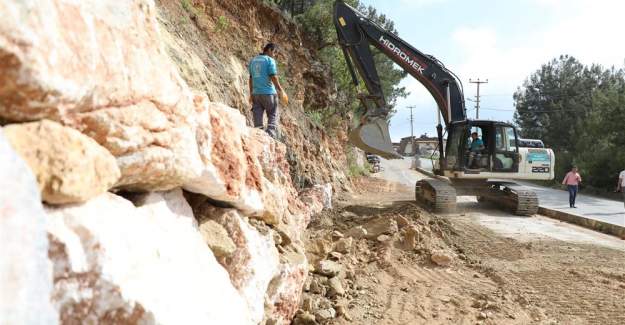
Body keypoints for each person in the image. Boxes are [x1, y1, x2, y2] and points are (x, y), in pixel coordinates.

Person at [248, 43, 288, 138]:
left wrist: (251, 93)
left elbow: (251, 79)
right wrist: (280, 89)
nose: (274, 55)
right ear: (269, 50)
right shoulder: (270, 60)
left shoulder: (253, 60)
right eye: (274, 52)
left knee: (257, 119)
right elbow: (273, 76)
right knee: (272, 114)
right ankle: (270, 136)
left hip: (256, 94)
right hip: (269, 93)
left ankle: (258, 137)